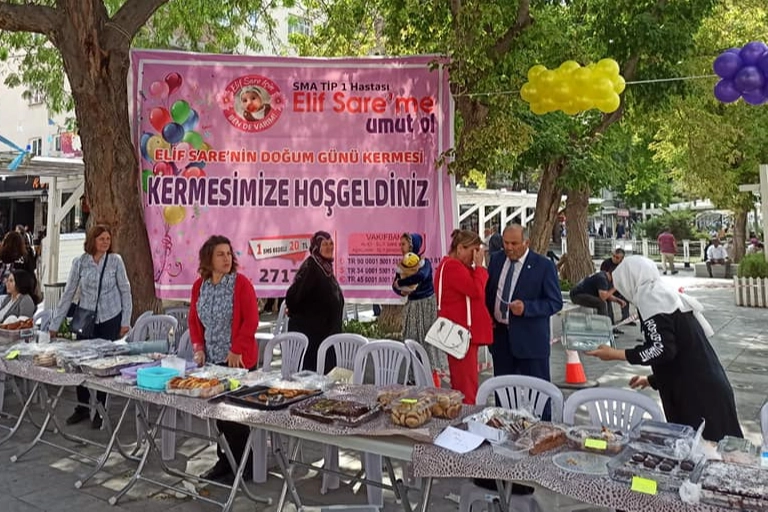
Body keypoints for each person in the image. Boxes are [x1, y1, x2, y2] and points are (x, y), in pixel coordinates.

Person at [585, 256, 743, 442]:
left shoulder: (651, 300)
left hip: (698, 396)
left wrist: (615, 354)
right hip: (699, 385)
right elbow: (678, 349)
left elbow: (662, 349)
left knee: (709, 452)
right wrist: (652, 380)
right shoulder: (660, 295)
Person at [188, 235, 259, 482]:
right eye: (220, 254)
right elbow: (194, 320)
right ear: (208, 258)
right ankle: (225, 461)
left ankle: (245, 465)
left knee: (235, 417)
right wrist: (198, 347)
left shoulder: (240, 284)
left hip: (237, 360)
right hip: (212, 360)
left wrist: (237, 349)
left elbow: (251, 320)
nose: (226, 258)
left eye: (229, 254)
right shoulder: (200, 286)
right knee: (219, 415)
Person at [49, 225, 132, 429]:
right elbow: (68, 293)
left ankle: (102, 409)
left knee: (105, 364)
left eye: (108, 239)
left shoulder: (115, 261)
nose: (105, 242)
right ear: (92, 240)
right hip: (86, 318)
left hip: (110, 316)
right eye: (101, 238)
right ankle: (82, 406)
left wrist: (125, 321)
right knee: (81, 361)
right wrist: (55, 324)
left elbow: (125, 290)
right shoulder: (80, 262)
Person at [485, 224, 563, 387]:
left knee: (537, 392)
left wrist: (527, 308)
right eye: (506, 243)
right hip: (501, 340)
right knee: (504, 391)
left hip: (531, 343)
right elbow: (490, 292)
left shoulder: (543, 266)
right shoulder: (497, 260)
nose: (509, 248)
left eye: (514, 243)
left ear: (526, 243)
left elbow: (555, 302)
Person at [433, 229, 492, 403]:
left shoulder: (450, 265)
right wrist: (480, 267)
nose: (475, 257)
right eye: (473, 251)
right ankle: (467, 415)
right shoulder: (453, 267)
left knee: (465, 382)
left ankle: (465, 413)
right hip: (461, 334)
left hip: (458, 332)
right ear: (460, 248)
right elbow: (476, 290)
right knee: (466, 386)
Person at [286, 231, 344, 372]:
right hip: (313, 338)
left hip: (325, 335)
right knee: (313, 377)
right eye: (324, 244)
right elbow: (294, 297)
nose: (329, 247)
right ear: (316, 247)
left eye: (331, 244)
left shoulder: (324, 266)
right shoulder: (311, 267)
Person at [392, 233, 444, 380]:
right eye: (400, 244)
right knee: (412, 341)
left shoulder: (424, 263)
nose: (401, 248)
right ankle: (415, 378)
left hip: (426, 307)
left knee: (427, 343)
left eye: (403, 244)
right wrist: (400, 290)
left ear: (412, 245)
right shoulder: (402, 265)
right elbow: (394, 284)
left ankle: (432, 380)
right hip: (412, 307)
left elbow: (420, 276)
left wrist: (400, 283)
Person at [569, 270, 627, 335]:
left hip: (584, 294)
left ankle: (610, 327)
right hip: (576, 295)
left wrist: (618, 300)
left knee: (607, 301)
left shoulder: (604, 277)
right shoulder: (602, 279)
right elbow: (603, 297)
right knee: (602, 304)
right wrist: (615, 287)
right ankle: (603, 329)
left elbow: (606, 294)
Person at [600, 248, 632, 326]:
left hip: (619, 287)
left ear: (622, 259)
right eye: (613, 256)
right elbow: (603, 277)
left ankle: (626, 318)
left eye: (617, 257)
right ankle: (610, 321)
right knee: (607, 300)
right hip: (608, 287)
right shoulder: (606, 263)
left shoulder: (624, 265)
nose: (614, 258)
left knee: (625, 296)